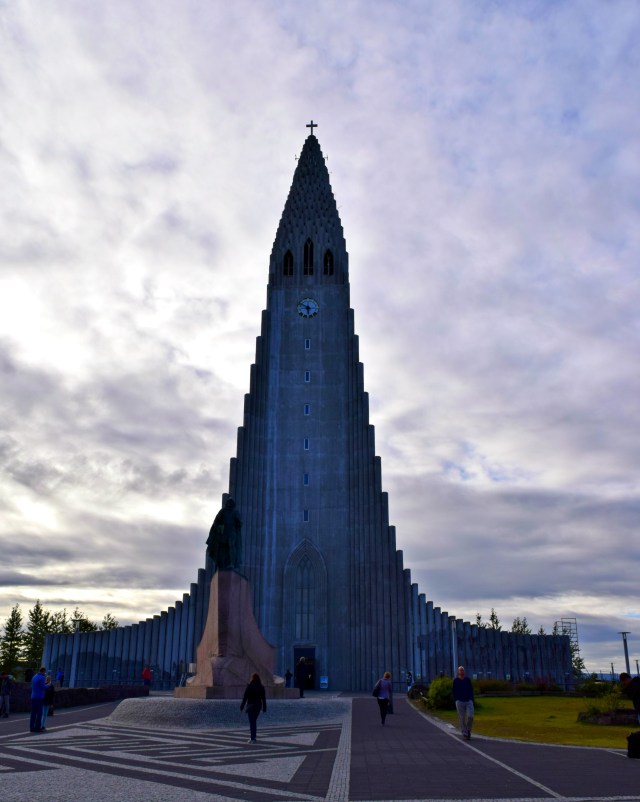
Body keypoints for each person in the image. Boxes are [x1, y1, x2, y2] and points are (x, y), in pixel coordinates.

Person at [207, 498, 242, 571]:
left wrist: (238, 522)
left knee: (231, 545)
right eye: (229, 503)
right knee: (222, 549)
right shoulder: (223, 511)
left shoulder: (235, 512)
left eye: (231, 503)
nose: (229, 504)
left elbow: (239, 523)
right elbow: (216, 522)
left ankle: (232, 563)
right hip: (224, 533)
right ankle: (221, 564)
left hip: (231, 532)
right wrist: (218, 527)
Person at [240, 672, 266, 743]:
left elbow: (245, 697)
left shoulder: (249, 686)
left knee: (252, 722)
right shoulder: (261, 687)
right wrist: (264, 708)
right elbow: (263, 698)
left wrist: (242, 706)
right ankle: (253, 738)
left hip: (251, 706)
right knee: (254, 721)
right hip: (258, 706)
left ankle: (253, 738)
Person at [452, 665, 474, 739]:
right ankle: (465, 733)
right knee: (461, 718)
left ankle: (468, 730)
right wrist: (456, 699)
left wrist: (471, 699)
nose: (462, 672)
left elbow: (471, 689)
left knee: (470, 716)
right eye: (460, 670)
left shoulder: (467, 680)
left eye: (463, 670)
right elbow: (454, 691)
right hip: (460, 701)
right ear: (458, 672)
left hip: (468, 700)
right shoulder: (456, 681)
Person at [30, 666, 47, 733]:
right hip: (39, 697)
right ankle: (38, 727)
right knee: (39, 713)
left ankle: (32, 727)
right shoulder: (42, 677)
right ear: (43, 671)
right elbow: (43, 687)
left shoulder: (34, 677)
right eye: (45, 672)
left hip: (33, 696)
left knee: (33, 713)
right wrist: (48, 685)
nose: (45, 673)